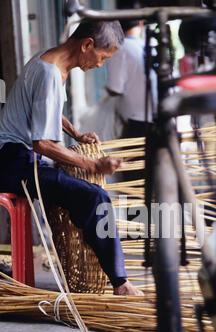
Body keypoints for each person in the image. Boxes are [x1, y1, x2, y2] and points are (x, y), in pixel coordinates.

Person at [0, 20, 143, 296]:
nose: (100, 65)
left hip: (17, 157)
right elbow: (42, 143)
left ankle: (109, 274)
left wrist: (76, 134)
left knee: (75, 192)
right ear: (87, 45)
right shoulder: (50, 73)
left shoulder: (48, 60)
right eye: (102, 57)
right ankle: (120, 283)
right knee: (94, 197)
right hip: (11, 160)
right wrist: (94, 164)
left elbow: (46, 107)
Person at [106, 19, 157, 139]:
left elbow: (115, 89)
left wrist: (106, 90)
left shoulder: (120, 48)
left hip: (137, 120)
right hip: (157, 114)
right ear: (141, 24)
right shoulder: (148, 46)